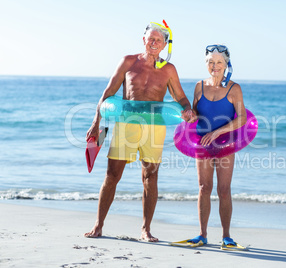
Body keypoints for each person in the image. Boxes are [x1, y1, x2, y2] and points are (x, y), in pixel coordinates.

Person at [84, 22, 194, 242]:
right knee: (112, 175)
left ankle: (146, 229)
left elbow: (180, 97)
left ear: (164, 45)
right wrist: (96, 122)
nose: (153, 43)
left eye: (158, 40)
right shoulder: (128, 61)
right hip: (127, 124)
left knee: (150, 177)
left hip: (154, 128)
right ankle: (98, 225)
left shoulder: (168, 69)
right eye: (150, 39)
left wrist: (187, 109)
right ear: (143, 40)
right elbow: (108, 93)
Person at [187, 44, 247, 247]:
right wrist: (190, 116)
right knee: (204, 188)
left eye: (219, 62)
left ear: (226, 63)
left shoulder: (234, 88)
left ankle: (226, 236)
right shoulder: (199, 86)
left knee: (223, 189)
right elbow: (195, 114)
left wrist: (217, 133)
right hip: (202, 144)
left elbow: (242, 119)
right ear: (206, 64)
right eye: (211, 62)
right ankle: (202, 235)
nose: (215, 66)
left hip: (225, 145)